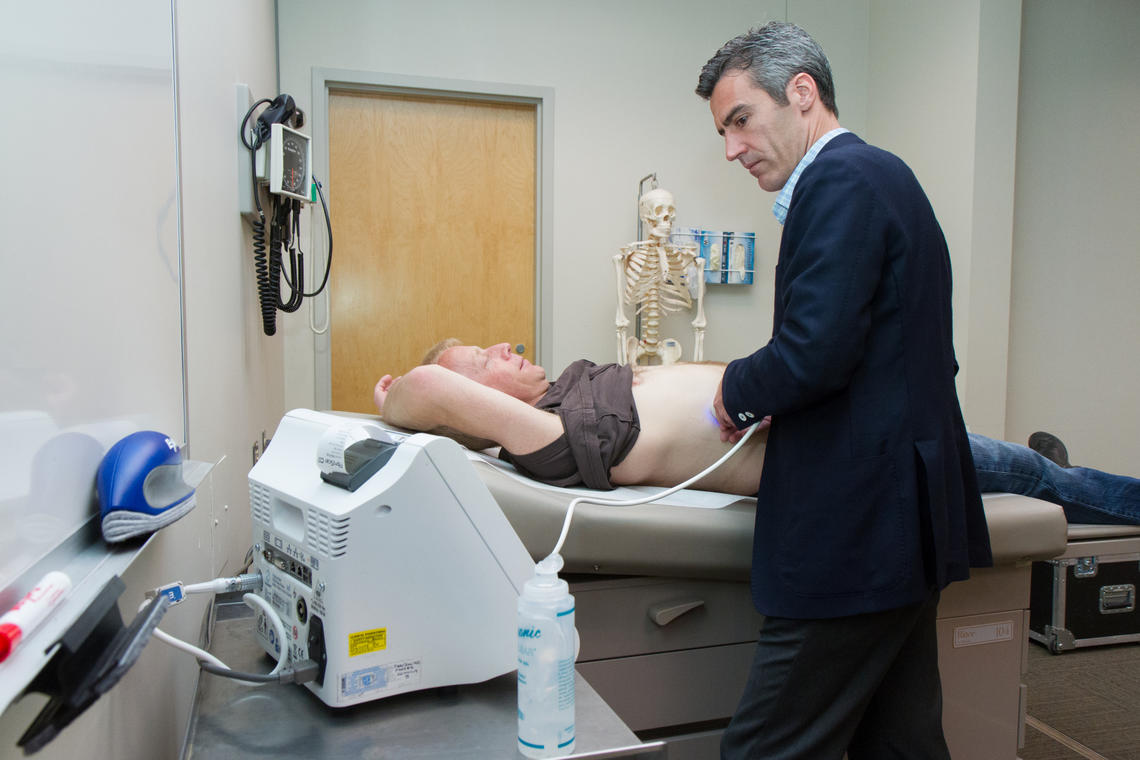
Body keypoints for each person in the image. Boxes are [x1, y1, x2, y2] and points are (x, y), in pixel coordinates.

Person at [695, 22, 986, 759]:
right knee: (900, 739)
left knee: (766, 749)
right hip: (903, 513)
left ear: (802, 94)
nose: (731, 148)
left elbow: (812, 354)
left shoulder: (840, 180)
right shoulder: (881, 175)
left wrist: (730, 392)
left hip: (858, 527)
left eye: (740, 121)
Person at [373, 340, 1140, 526]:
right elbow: (427, 391)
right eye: (486, 358)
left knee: (1011, 468)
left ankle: (1044, 472)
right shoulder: (538, 439)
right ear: (473, 403)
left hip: (816, 414)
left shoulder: (569, 397)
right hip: (839, 451)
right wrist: (391, 393)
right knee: (1039, 483)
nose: (506, 348)